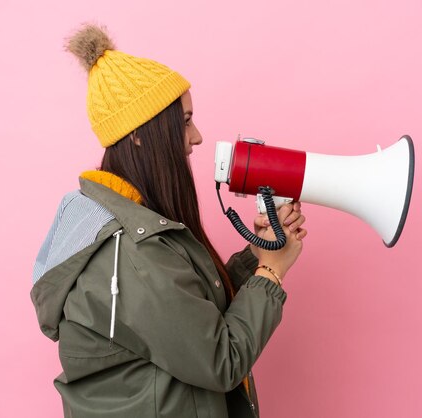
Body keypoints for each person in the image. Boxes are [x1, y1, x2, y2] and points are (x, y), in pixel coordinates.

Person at [31, 23, 307, 418]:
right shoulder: (131, 253)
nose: (196, 137)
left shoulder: (125, 223)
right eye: (184, 121)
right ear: (141, 135)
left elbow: (185, 315)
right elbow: (220, 359)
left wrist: (255, 257)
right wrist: (270, 275)